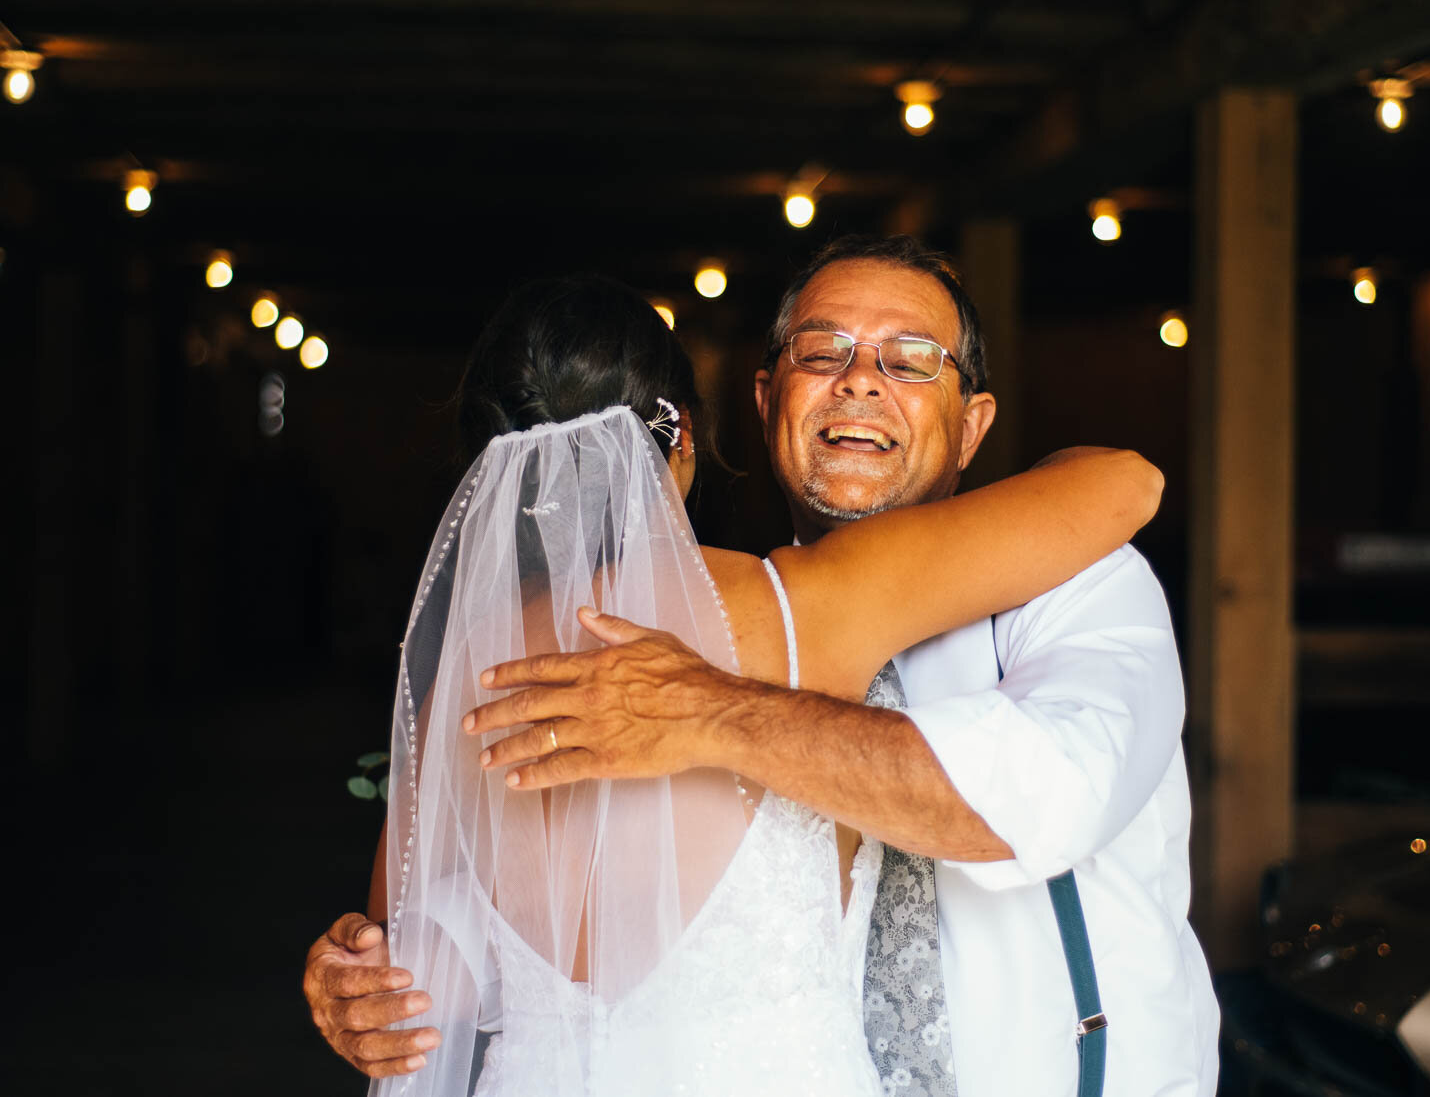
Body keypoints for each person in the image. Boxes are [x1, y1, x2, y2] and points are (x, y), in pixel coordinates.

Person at [309, 265, 1164, 1096]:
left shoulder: (461, 663)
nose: (861, 384)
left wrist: (352, 977)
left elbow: (403, 979)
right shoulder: (808, 601)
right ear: (686, 431)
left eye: (906, 361)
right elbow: (1125, 482)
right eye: (824, 353)